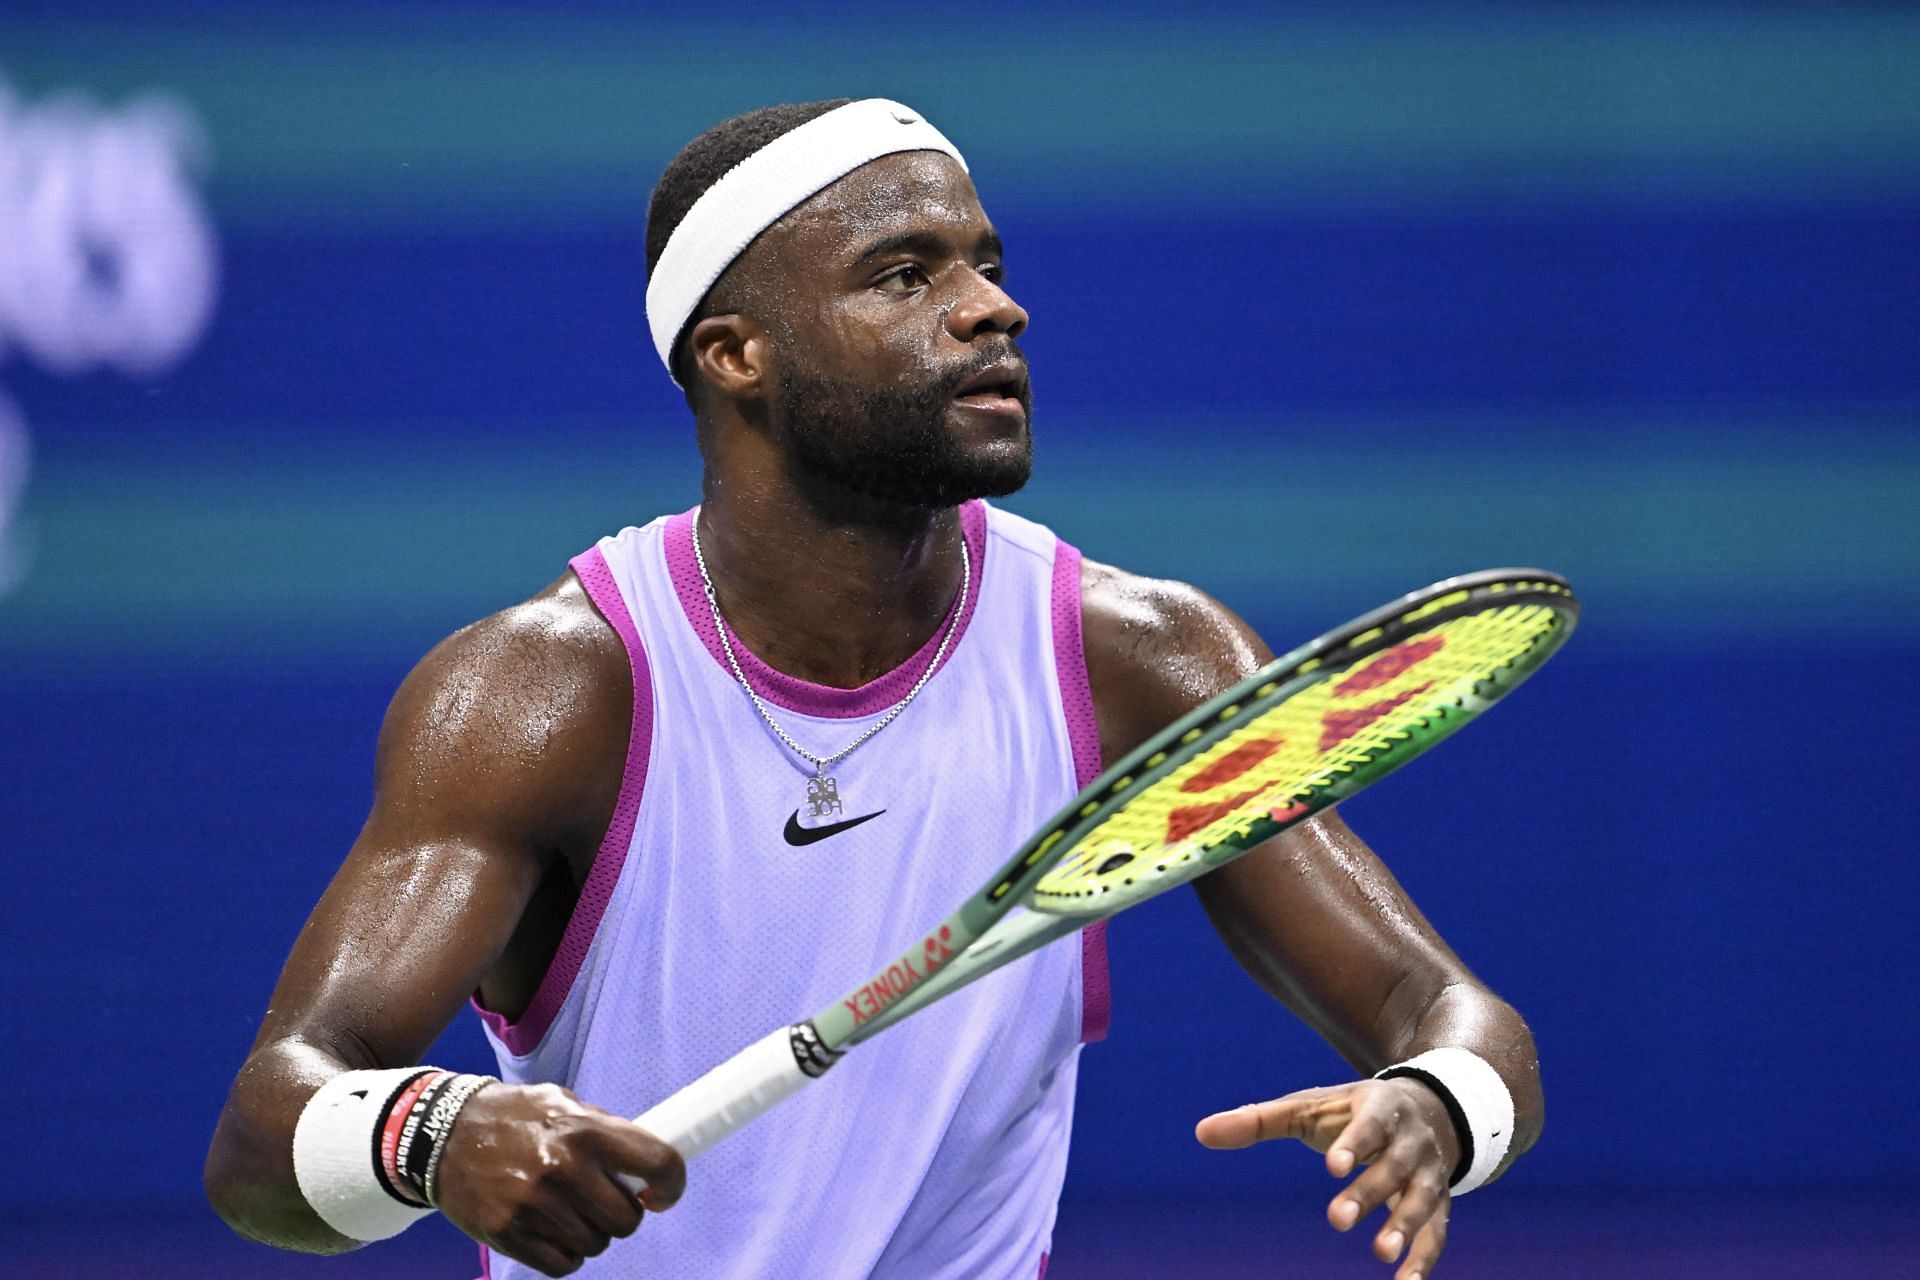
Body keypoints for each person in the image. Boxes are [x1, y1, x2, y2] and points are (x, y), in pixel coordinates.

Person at [205, 98, 1541, 1280]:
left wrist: (1434, 1101)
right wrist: (435, 1137)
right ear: (737, 355)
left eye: (988, 264)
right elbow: (264, 1138)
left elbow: (1452, 1016)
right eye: (904, 276)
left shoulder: (1138, 658)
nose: (991, 307)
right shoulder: (544, 696)